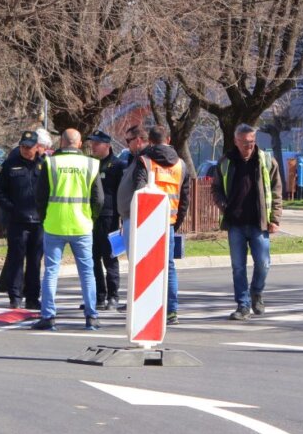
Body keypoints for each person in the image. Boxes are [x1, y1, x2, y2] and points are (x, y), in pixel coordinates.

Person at [32, 129, 103, 331]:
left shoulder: (51, 163)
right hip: (82, 225)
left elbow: (40, 196)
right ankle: (91, 316)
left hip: (54, 223)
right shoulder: (91, 164)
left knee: (51, 272)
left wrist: (44, 217)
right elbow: (99, 198)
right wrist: (91, 218)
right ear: (79, 144)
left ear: (62, 143)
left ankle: (48, 316)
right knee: (87, 272)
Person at [212, 123, 283, 320]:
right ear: (236, 141)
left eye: (252, 142)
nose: (249, 147)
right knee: (238, 267)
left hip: (259, 223)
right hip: (235, 223)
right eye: (245, 143)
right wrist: (223, 205)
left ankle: (257, 292)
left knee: (263, 263)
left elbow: (276, 191)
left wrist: (275, 218)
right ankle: (242, 305)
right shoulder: (226, 161)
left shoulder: (266, 161)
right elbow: (216, 188)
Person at [125, 125, 191, 325]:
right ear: (169, 140)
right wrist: (175, 223)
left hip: (146, 222)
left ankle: (146, 309)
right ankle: (171, 311)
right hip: (168, 222)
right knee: (168, 267)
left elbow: (139, 191)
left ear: (150, 141)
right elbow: (185, 200)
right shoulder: (181, 165)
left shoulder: (144, 161)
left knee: (143, 266)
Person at [0, 129, 50, 310]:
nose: (26, 150)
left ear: (37, 147)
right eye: (23, 146)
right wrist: (10, 208)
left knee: (34, 262)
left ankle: (32, 298)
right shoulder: (10, 164)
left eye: (29, 147)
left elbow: (50, 191)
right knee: (16, 260)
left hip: (38, 222)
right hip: (17, 221)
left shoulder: (44, 165)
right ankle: (15, 297)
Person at [86, 130, 125, 311]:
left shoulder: (117, 165)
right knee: (93, 258)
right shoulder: (90, 164)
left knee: (110, 258)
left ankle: (113, 296)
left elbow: (121, 194)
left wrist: (121, 218)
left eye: (96, 143)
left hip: (110, 217)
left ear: (107, 145)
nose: (92, 146)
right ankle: (99, 296)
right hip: (91, 217)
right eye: (92, 143)